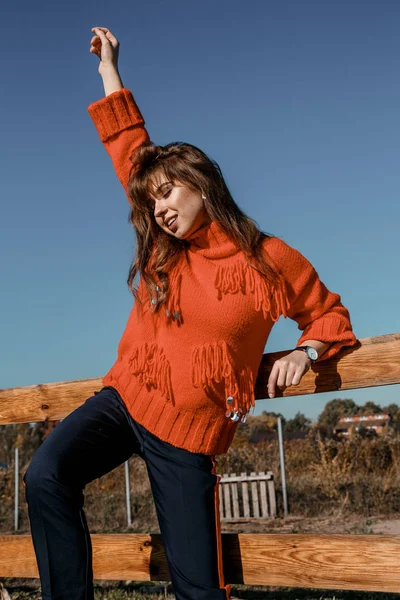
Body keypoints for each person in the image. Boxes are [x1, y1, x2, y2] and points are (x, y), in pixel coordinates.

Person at [22, 26, 358, 600]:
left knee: (200, 589)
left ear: (202, 184)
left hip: (190, 433)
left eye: (169, 193)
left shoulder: (267, 258)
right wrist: (109, 71)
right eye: (152, 200)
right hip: (126, 397)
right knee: (45, 475)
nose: (160, 209)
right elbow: (129, 148)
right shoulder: (163, 248)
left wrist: (307, 352)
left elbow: (329, 315)